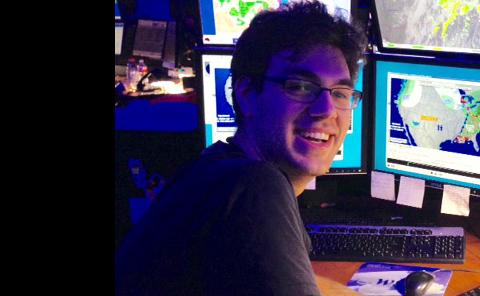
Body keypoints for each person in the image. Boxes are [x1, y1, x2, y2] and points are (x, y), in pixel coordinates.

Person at [115, 2, 367, 295]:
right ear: (247, 94)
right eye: (299, 86)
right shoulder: (255, 187)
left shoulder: (217, 166)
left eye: (340, 93)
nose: (326, 110)